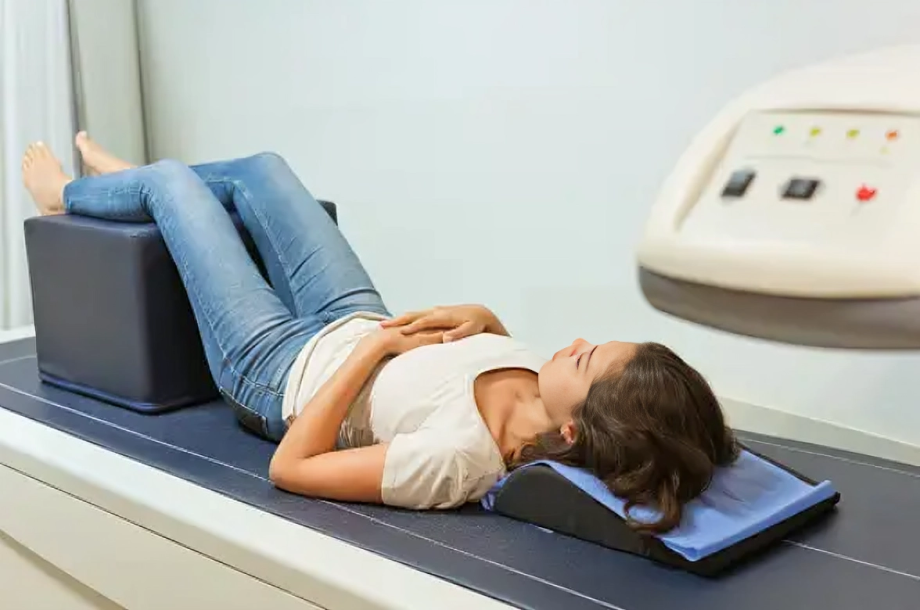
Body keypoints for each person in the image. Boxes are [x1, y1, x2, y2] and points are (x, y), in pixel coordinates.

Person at [21, 134, 739, 534]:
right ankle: (147, 190)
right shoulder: (543, 393)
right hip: (357, 315)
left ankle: (84, 195)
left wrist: (370, 352)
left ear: (576, 433)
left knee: (174, 180)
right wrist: (485, 321)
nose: (576, 340)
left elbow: (293, 468)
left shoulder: (460, 462)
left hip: (279, 368)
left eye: (585, 360)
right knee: (265, 168)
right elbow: (477, 371)